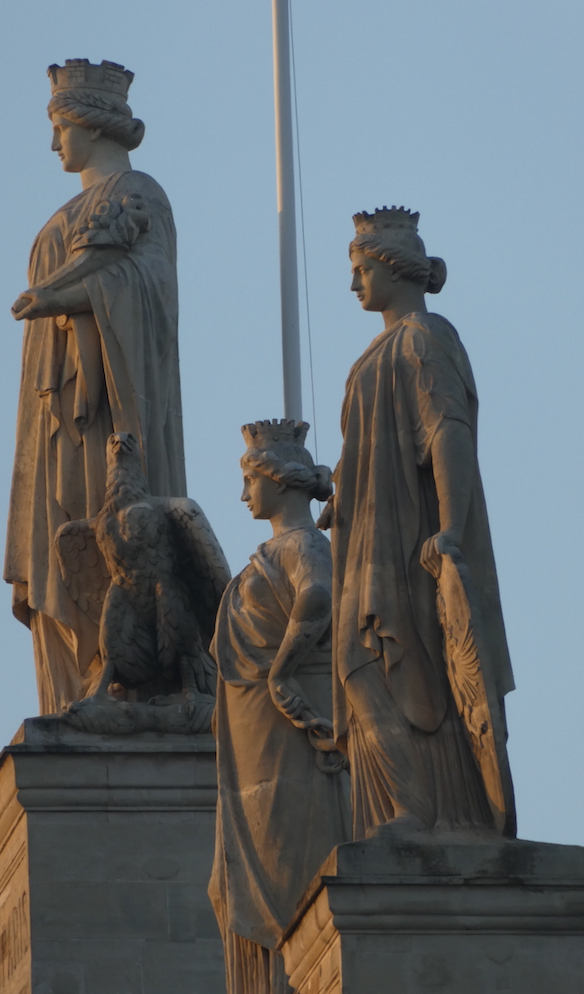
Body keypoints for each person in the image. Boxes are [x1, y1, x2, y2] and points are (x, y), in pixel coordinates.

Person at [324, 206, 515, 839]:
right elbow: (366, 456)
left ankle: (426, 810)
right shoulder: (369, 357)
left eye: (360, 270)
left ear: (393, 269)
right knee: (358, 661)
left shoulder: (424, 338)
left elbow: (448, 433)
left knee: (393, 664)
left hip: (410, 539)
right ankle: (401, 809)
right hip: (366, 540)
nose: (354, 286)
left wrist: (452, 529)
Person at [4, 59, 185, 714]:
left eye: (59, 127)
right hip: (58, 417)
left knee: (112, 527)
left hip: (113, 410)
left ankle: (123, 672)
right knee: (61, 531)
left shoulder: (140, 193)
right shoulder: (63, 216)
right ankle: (73, 685)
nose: (55, 144)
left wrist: (67, 298)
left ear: (89, 124)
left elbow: (153, 294)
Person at [209, 419, 351, 994]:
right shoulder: (269, 553)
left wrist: (283, 670)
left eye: (249, 480)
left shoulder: (303, 544)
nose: (244, 495)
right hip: (250, 747)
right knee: (235, 880)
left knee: (292, 864)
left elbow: (317, 596)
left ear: (281, 481)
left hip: (288, 742)